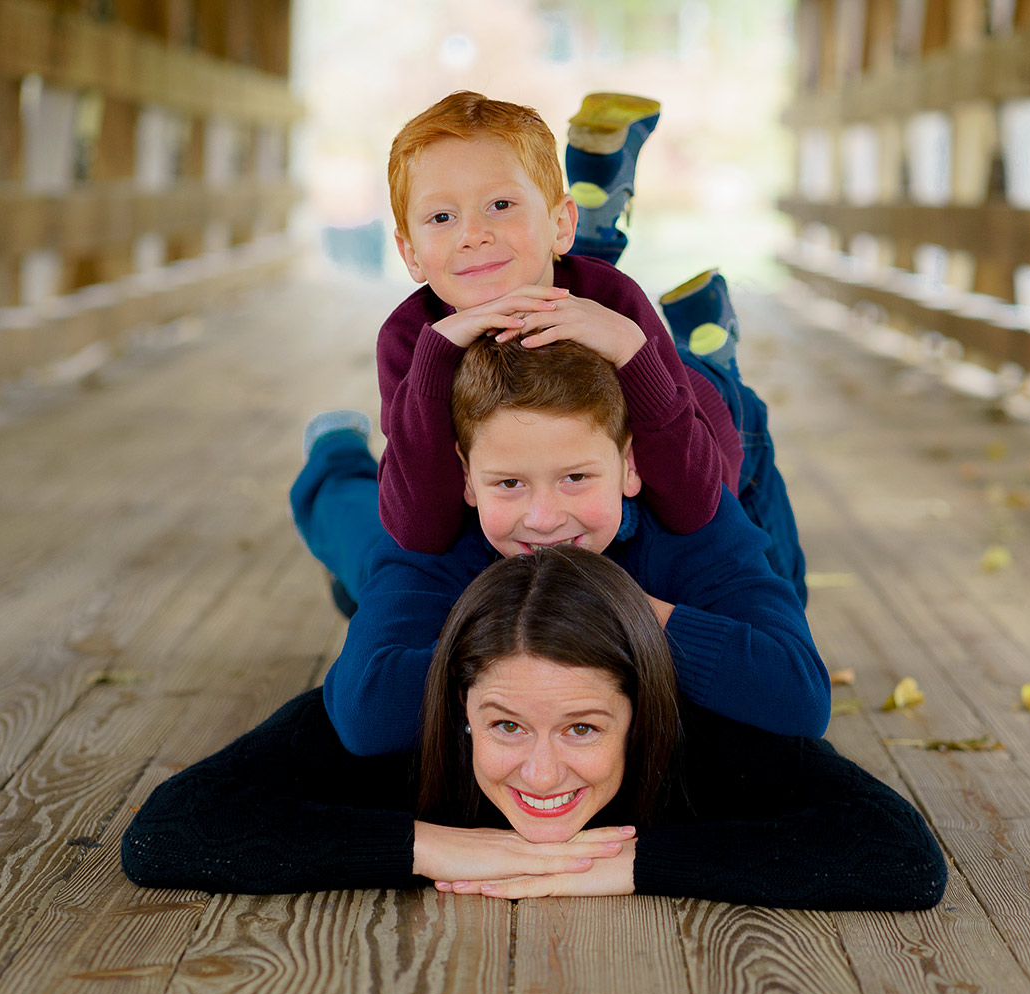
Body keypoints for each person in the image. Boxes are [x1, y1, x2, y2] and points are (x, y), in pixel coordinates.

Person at [121, 546, 949, 910]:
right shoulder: (395, 728)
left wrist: (628, 864)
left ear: (643, 709)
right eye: (506, 725)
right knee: (372, 548)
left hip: (692, 548)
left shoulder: (708, 733)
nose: (543, 775)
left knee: (749, 508)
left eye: (585, 729)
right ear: (457, 707)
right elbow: (169, 832)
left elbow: (900, 855)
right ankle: (335, 459)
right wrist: (440, 847)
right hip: (423, 560)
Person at [296, 337, 824, 758]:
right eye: (508, 484)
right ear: (466, 477)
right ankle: (336, 451)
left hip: (715, 419)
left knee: (787, 588)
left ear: (629, 465)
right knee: (367, 551)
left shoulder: (690, 513)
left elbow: (798, 695)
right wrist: (536, 630)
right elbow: (367, 716)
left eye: (575, 477)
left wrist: (616, 610)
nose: (544, 520)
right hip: (420, 538)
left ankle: (705, 352)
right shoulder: (433, 528)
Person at [373, 90, 740, 557]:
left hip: (695, 410)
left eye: (500, 205)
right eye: (442, 217)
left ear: (561, 224)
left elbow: (694, 503)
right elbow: (418, 529)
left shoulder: (614, 302)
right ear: (411, 256)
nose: (472, 236)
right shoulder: (410, 339)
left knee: (727, 404)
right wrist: (435, 362)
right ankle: (601, 196)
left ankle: (714, 348)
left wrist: (631, 349)